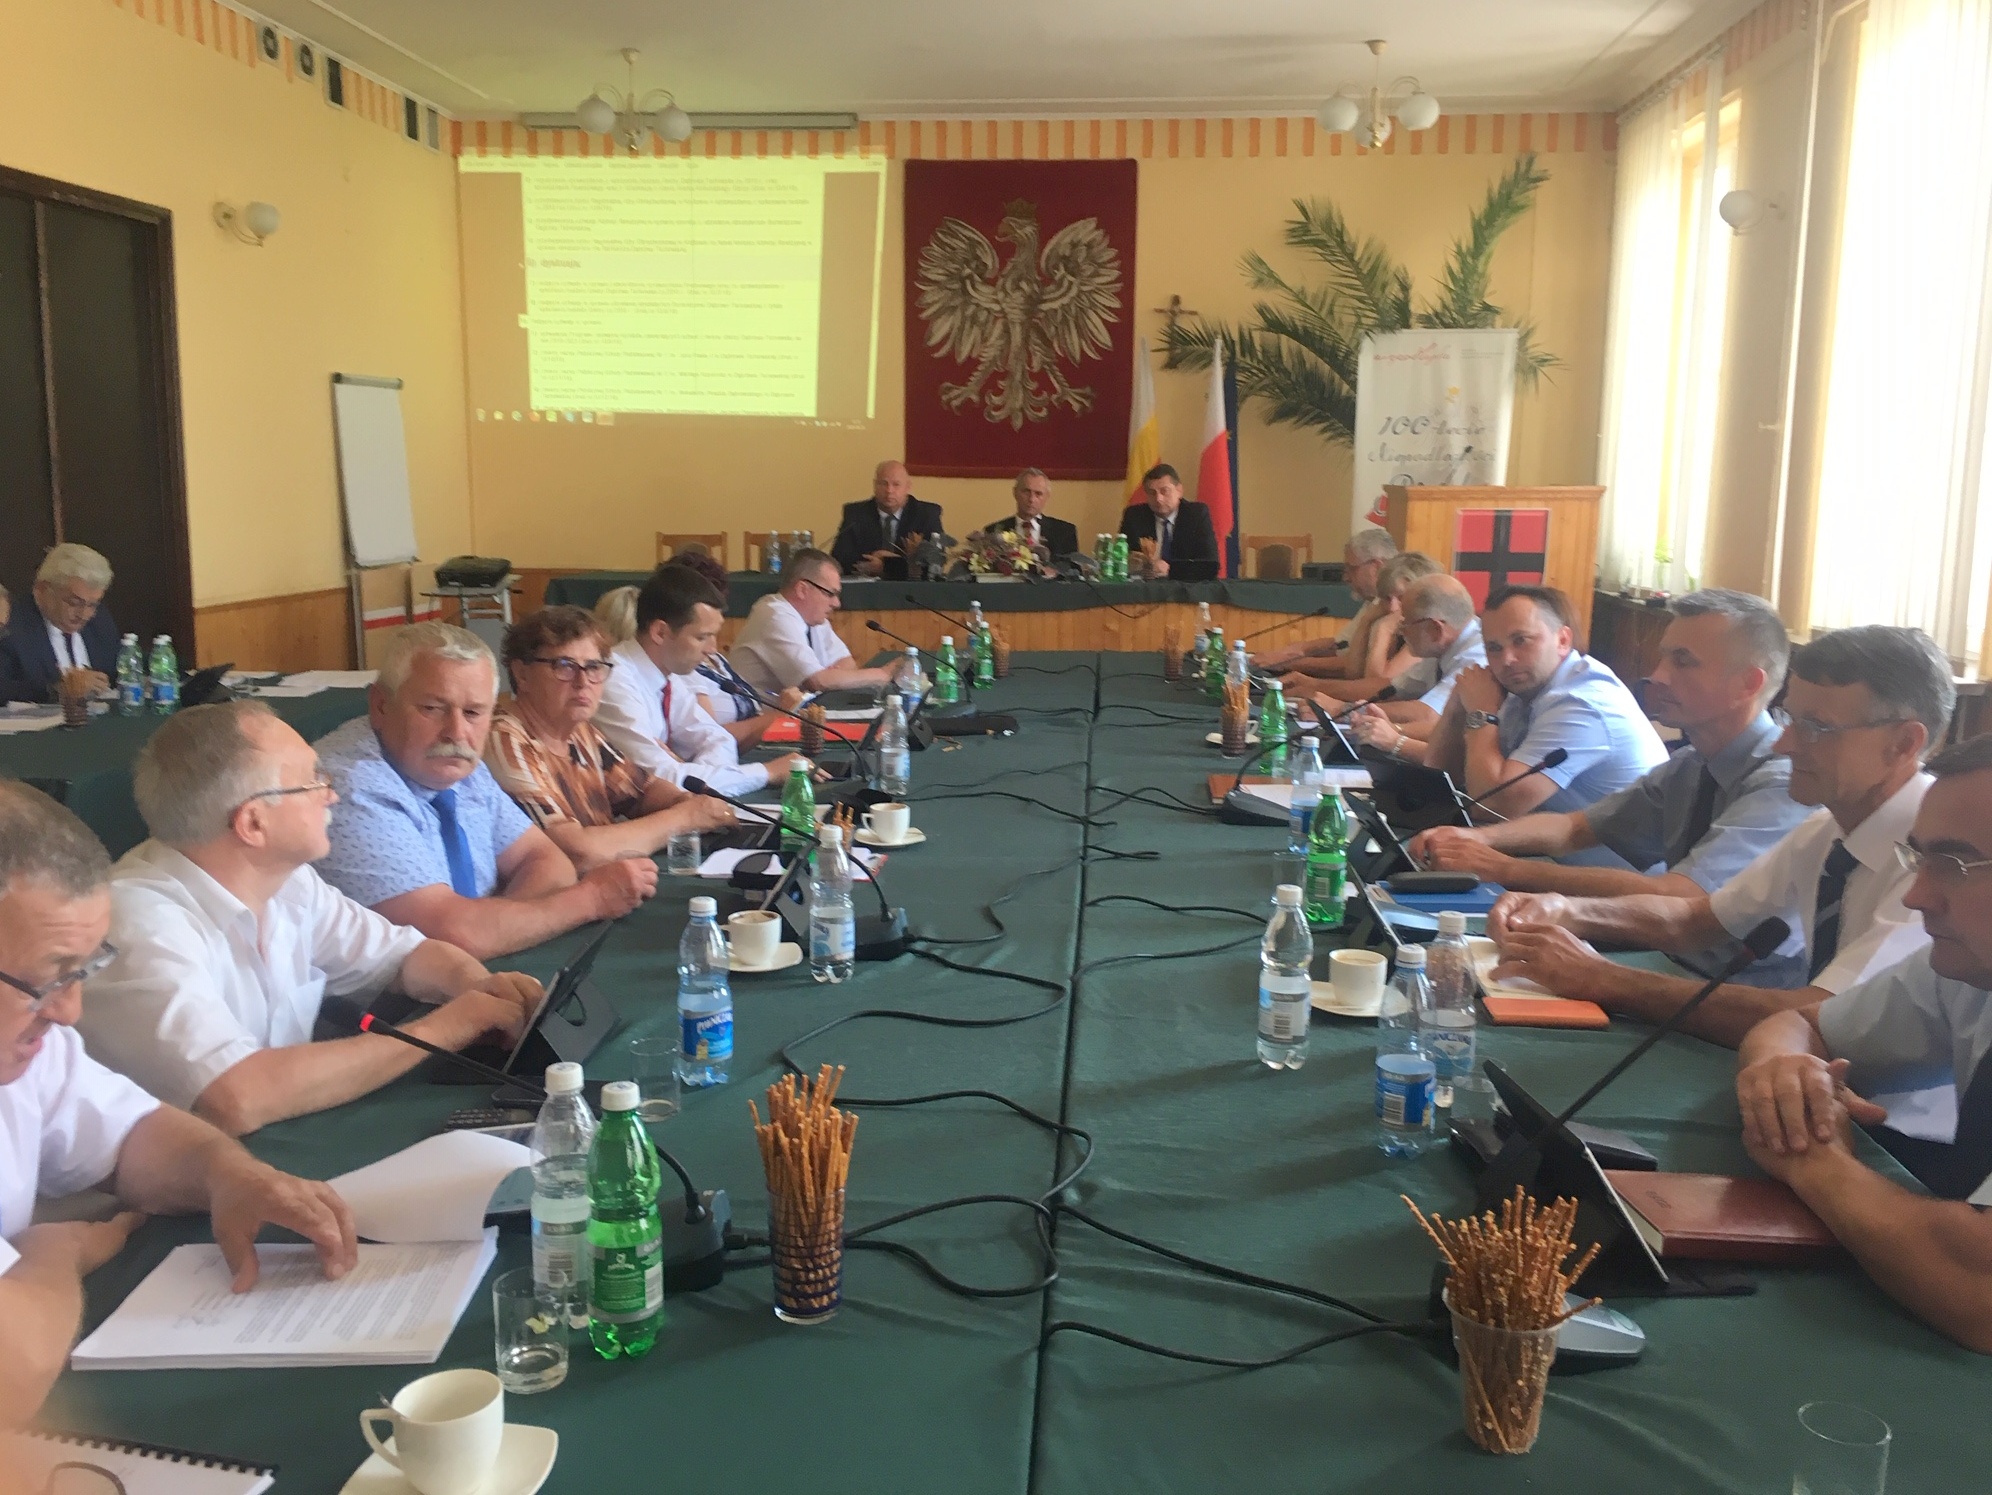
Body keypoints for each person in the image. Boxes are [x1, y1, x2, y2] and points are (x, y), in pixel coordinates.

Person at [0, 782, 360, 1420]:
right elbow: (11, 1370)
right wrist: (54, 1256)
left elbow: (132, 1134)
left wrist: (230, 1176)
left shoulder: (28, 1045)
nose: (68, 1011)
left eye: (80, 972)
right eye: (46, 979)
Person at [74, 701, 545, 1136]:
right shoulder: (137, 925)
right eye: (312, 781)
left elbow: (406, 956)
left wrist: (477, 987)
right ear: (253, 823)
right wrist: (448, 1027)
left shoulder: (287, 881)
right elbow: (236, 1097)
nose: (331, 795)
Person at [1487, 626, 1953, 1058]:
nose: (1785, 744)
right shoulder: (1826, 829)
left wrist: (1604, 979)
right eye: (1789, 719)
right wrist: (1565, 909)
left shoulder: (1942, 862)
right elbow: (1695, 920)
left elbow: (1820, 1017)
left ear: (1903, 744)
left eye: (1815, 728)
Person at [1732, 734, 1992, 1350]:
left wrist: (1809, 1155)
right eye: (1919, 859)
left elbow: (1980, 1292)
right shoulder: (1967, 965)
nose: (1916, 895)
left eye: (1953, 865)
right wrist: (1786, 1076)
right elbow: (1799, 1024)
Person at [1413, 589, 1812, 979]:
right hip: (1666, 954)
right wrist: (1479, 840)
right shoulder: (1691, 764)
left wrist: (1505, 868)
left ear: (1747, 685)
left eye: (1683, 661)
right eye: (1663, 657)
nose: (1658, 676)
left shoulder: (1784, 784)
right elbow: (1575, 828)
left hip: (1736, 984)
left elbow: (1682, 897)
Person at [314, 623, 657, 960]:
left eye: (473, 712)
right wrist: (593, 899)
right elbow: (455, 936)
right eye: (432, 708)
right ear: (380, 705)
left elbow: (547, 861)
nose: (456, 732)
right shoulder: (347, 787)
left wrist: (497, 928)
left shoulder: (462, 768)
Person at [484, 606, 736, 869]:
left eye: (594, 667)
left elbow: (643, 791)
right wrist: (686, 818)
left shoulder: (579, 731)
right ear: (521, 674)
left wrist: (684, 802)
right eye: (564, 666)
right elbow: (575, 853)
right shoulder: (504, 740)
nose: (583, 682)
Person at [1422, 584, 1666, 826]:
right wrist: (1456, 706)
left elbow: (1491, 806)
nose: (1507, 659)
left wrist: (1481, 714)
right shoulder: (1524, 688)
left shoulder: (1581, 703)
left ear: (1562, 640)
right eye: (1494, 648)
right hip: (1549, 843)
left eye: (1521, 640)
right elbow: (1438, 777)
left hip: (1606, 852)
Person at [593, 564, 813, 797]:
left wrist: (696, 773)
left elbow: (718, 739)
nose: (712, 649)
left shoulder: (667, 675)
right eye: (702, 637)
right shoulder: (614, 679)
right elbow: (658, 779)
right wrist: (767, 772)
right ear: (660, 633)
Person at [660, 554, 804, 750]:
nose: (712, 646)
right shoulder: (682, 669)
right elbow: (710, 740)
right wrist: (779, 715)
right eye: (702, 635)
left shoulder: (714, 658)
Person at [1337, 574, 1488, 759]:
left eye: (1406, 623)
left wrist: (1342, 710)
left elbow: (1429, 715)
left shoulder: (1477, 656)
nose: (1401, 631)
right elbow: (1393, 689)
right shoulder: (1439, 647)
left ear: (1435, 629)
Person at [729, 549, 898, 695]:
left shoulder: (814, 618)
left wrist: (830, 678)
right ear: (802, 589)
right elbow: (817, 682)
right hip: (757, 715)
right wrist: (882, 674)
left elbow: (847, 664)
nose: (836, 603)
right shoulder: (775, 616)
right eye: (830, 594)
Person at [1279, 551, 1442, 696]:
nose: (1393, 607)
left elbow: (1376, 687)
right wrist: (1366, 621)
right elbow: (1353, 672)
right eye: (1387, 598)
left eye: (1401, 597)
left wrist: (1384, 630)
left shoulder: (1426, 633)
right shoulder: (1394, 621)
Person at [1254, 528, 1398, 677]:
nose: (1346, 577)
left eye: (1351, 569)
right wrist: (1298, 650)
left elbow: (1355, 665)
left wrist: (1287, 662)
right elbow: (1340, 645)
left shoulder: (1393, 605)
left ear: (1377, 567)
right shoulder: (1372, 601)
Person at [0, 545, 119, 705]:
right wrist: (57, 690)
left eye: (93, 604)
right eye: (74, 602)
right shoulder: (10, 623)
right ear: (41, 590)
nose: (84, 615)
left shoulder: (99, 620)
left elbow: (116, 673)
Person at [830, 461, 946, 576]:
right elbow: (840, 559)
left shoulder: (926, 514)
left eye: (896, 484)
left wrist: (887, 566)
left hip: (910, 586)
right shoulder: (856, 513)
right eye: (883, 483)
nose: (889, 490)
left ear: (907, 487)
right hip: (866, 585)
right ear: (875, 485)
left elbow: (936, 563)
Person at [1119, 464, 1218, 577]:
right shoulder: (1134, 516)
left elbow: (1210, 565)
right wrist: (1129, 564)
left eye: (1164, 491)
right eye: (1152, 493)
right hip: (1145, 585)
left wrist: (1170, 570)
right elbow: (1119, 559)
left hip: (1185, 585)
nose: (1158, 499)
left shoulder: (1196, 515)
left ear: (1179, 490)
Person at [986, 468, 1079, 561]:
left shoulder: (1065, 532)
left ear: (1047, 497)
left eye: (1038, 494)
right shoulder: (993, 531)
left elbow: (1071, 568)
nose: (1031, 499)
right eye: (1026, 492)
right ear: (1015, 492)